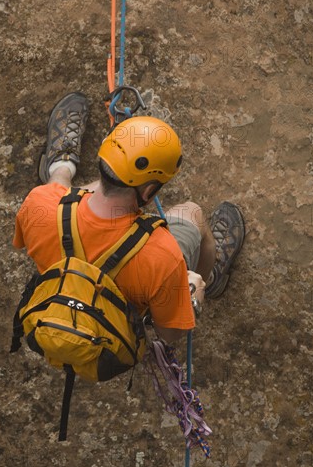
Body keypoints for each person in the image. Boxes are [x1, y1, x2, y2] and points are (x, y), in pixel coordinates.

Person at [13, 92, 245, 344]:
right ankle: (210, 280)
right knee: (191, 212)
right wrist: (193, 297)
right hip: (110, 331)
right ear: (148, 192)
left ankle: (60, 164)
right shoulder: (163, 257)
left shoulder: (39, 202)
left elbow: (34, 230)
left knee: (57, 186)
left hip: (56, 308)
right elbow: (170, 335)